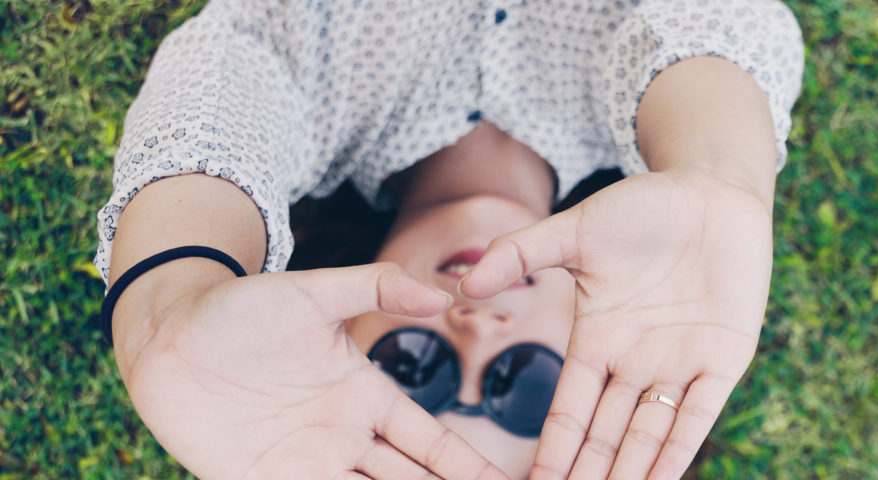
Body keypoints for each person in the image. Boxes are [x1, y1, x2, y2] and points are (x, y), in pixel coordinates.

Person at [95, 0, 804, 478]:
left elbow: (230, 85)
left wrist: (165, 302)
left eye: (413, 366)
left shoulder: (312, 94)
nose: (477, 328)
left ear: (337, 333)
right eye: (526, 383)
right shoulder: (653, 110)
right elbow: (724, 21)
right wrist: (719, 169)